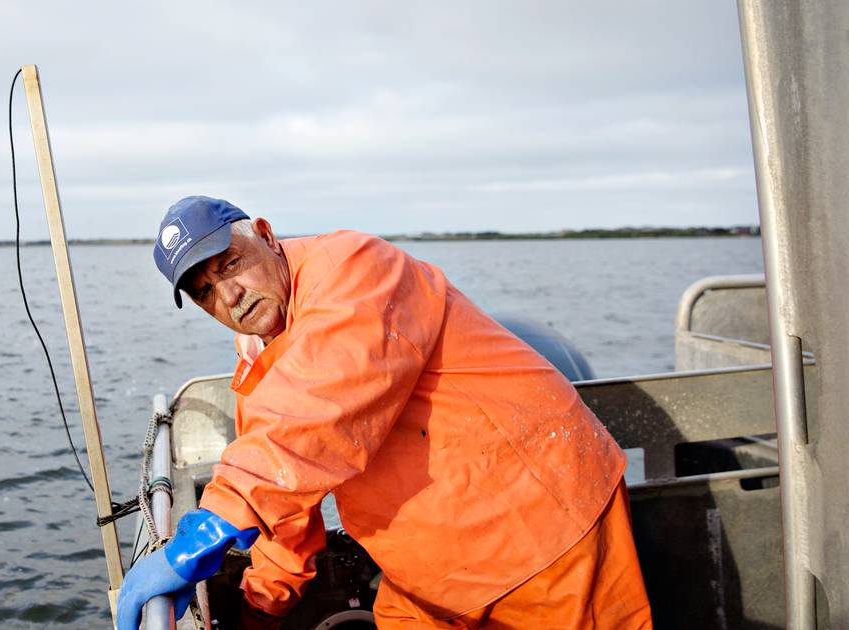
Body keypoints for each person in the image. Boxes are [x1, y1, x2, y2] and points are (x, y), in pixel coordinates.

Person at [118, 196, 653, 629]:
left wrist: (195, 542)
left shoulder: (353, 269)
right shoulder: (258, 365)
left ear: (265, 233)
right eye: (205, 291)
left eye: (231, 264)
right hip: (428, 572)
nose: (230, 295)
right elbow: (283, 497)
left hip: (544, 534)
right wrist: (261, 607)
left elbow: (315, 415)